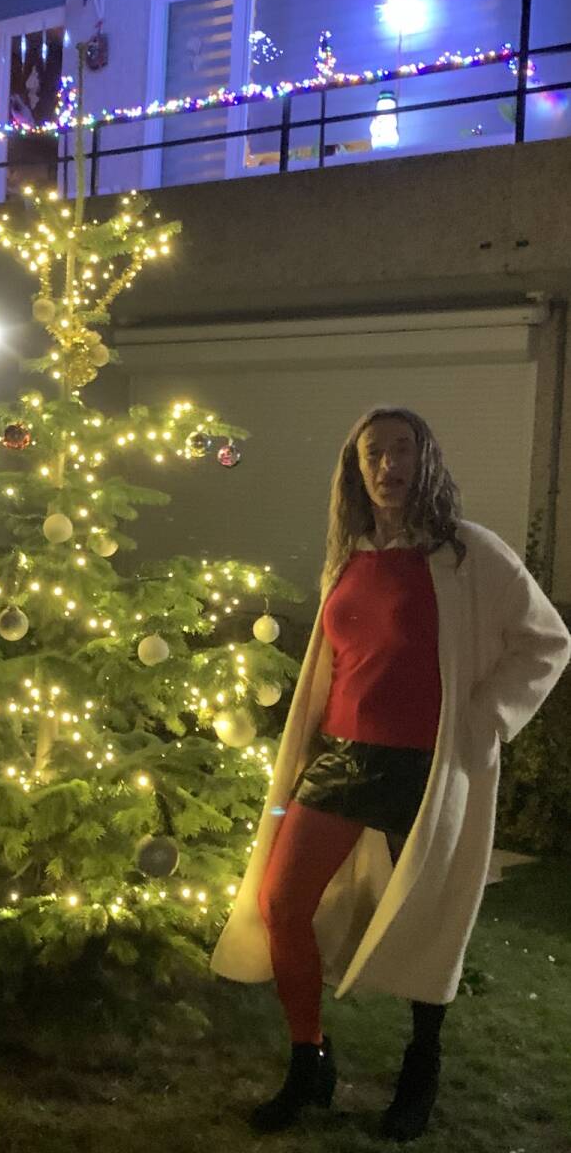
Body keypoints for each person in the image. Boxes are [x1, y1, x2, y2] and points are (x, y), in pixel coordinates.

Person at [210, 405, 571, 1142]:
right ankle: (309, 1060)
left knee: (428, 918)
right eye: (373, 453)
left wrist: (483, 718)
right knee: (282, 903)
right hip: (343, 759)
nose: (387, 465)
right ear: (357, 469)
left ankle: (420, 1067)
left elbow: (546, 640)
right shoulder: (350, 556)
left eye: (401, 450)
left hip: (429, 766)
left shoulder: (468, 553)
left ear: (424, 461)